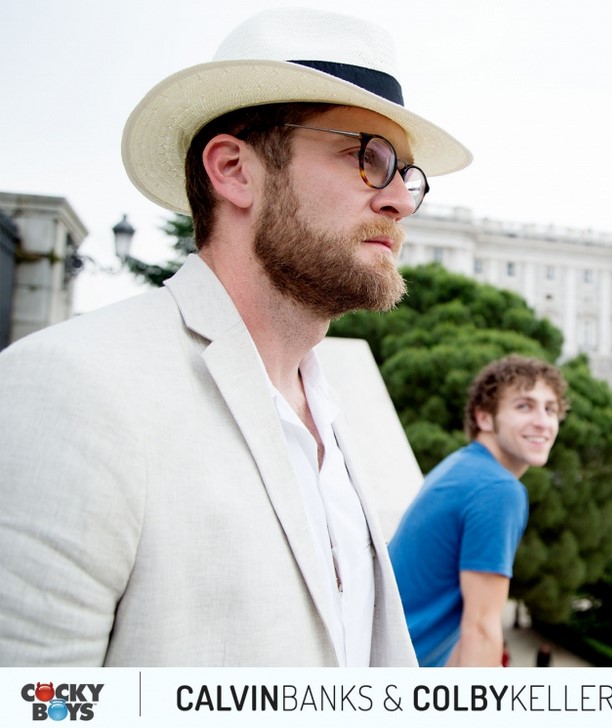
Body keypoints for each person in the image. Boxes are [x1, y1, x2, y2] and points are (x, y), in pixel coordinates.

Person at [0, 8, 470, 666]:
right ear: (234, 170)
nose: (399, 201)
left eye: (407, 175)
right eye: (368, 157)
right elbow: (32, 703)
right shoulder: (72, 388)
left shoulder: (328, 411)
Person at [388, 355, 569, 666]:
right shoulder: (497, 488)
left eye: (550, 409)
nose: (543, 422)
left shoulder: (460, 466)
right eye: (524, 406)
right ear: (484, 418)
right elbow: (482, 629)